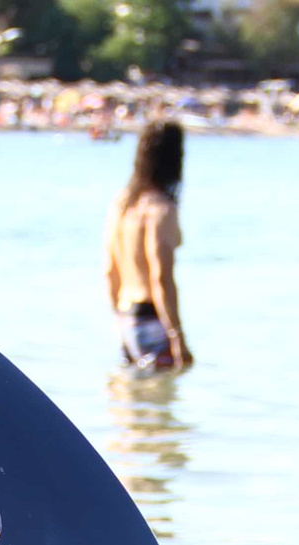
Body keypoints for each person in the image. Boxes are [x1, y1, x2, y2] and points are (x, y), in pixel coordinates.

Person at [106, 120, 191, 372]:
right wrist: (177, 338)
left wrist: (120, 324)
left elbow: (109, 271)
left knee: (131, 406)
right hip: (153, 319)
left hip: (126, 318)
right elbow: (161, 278)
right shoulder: (161, 210)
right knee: (160, 407)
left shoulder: (122, 204)